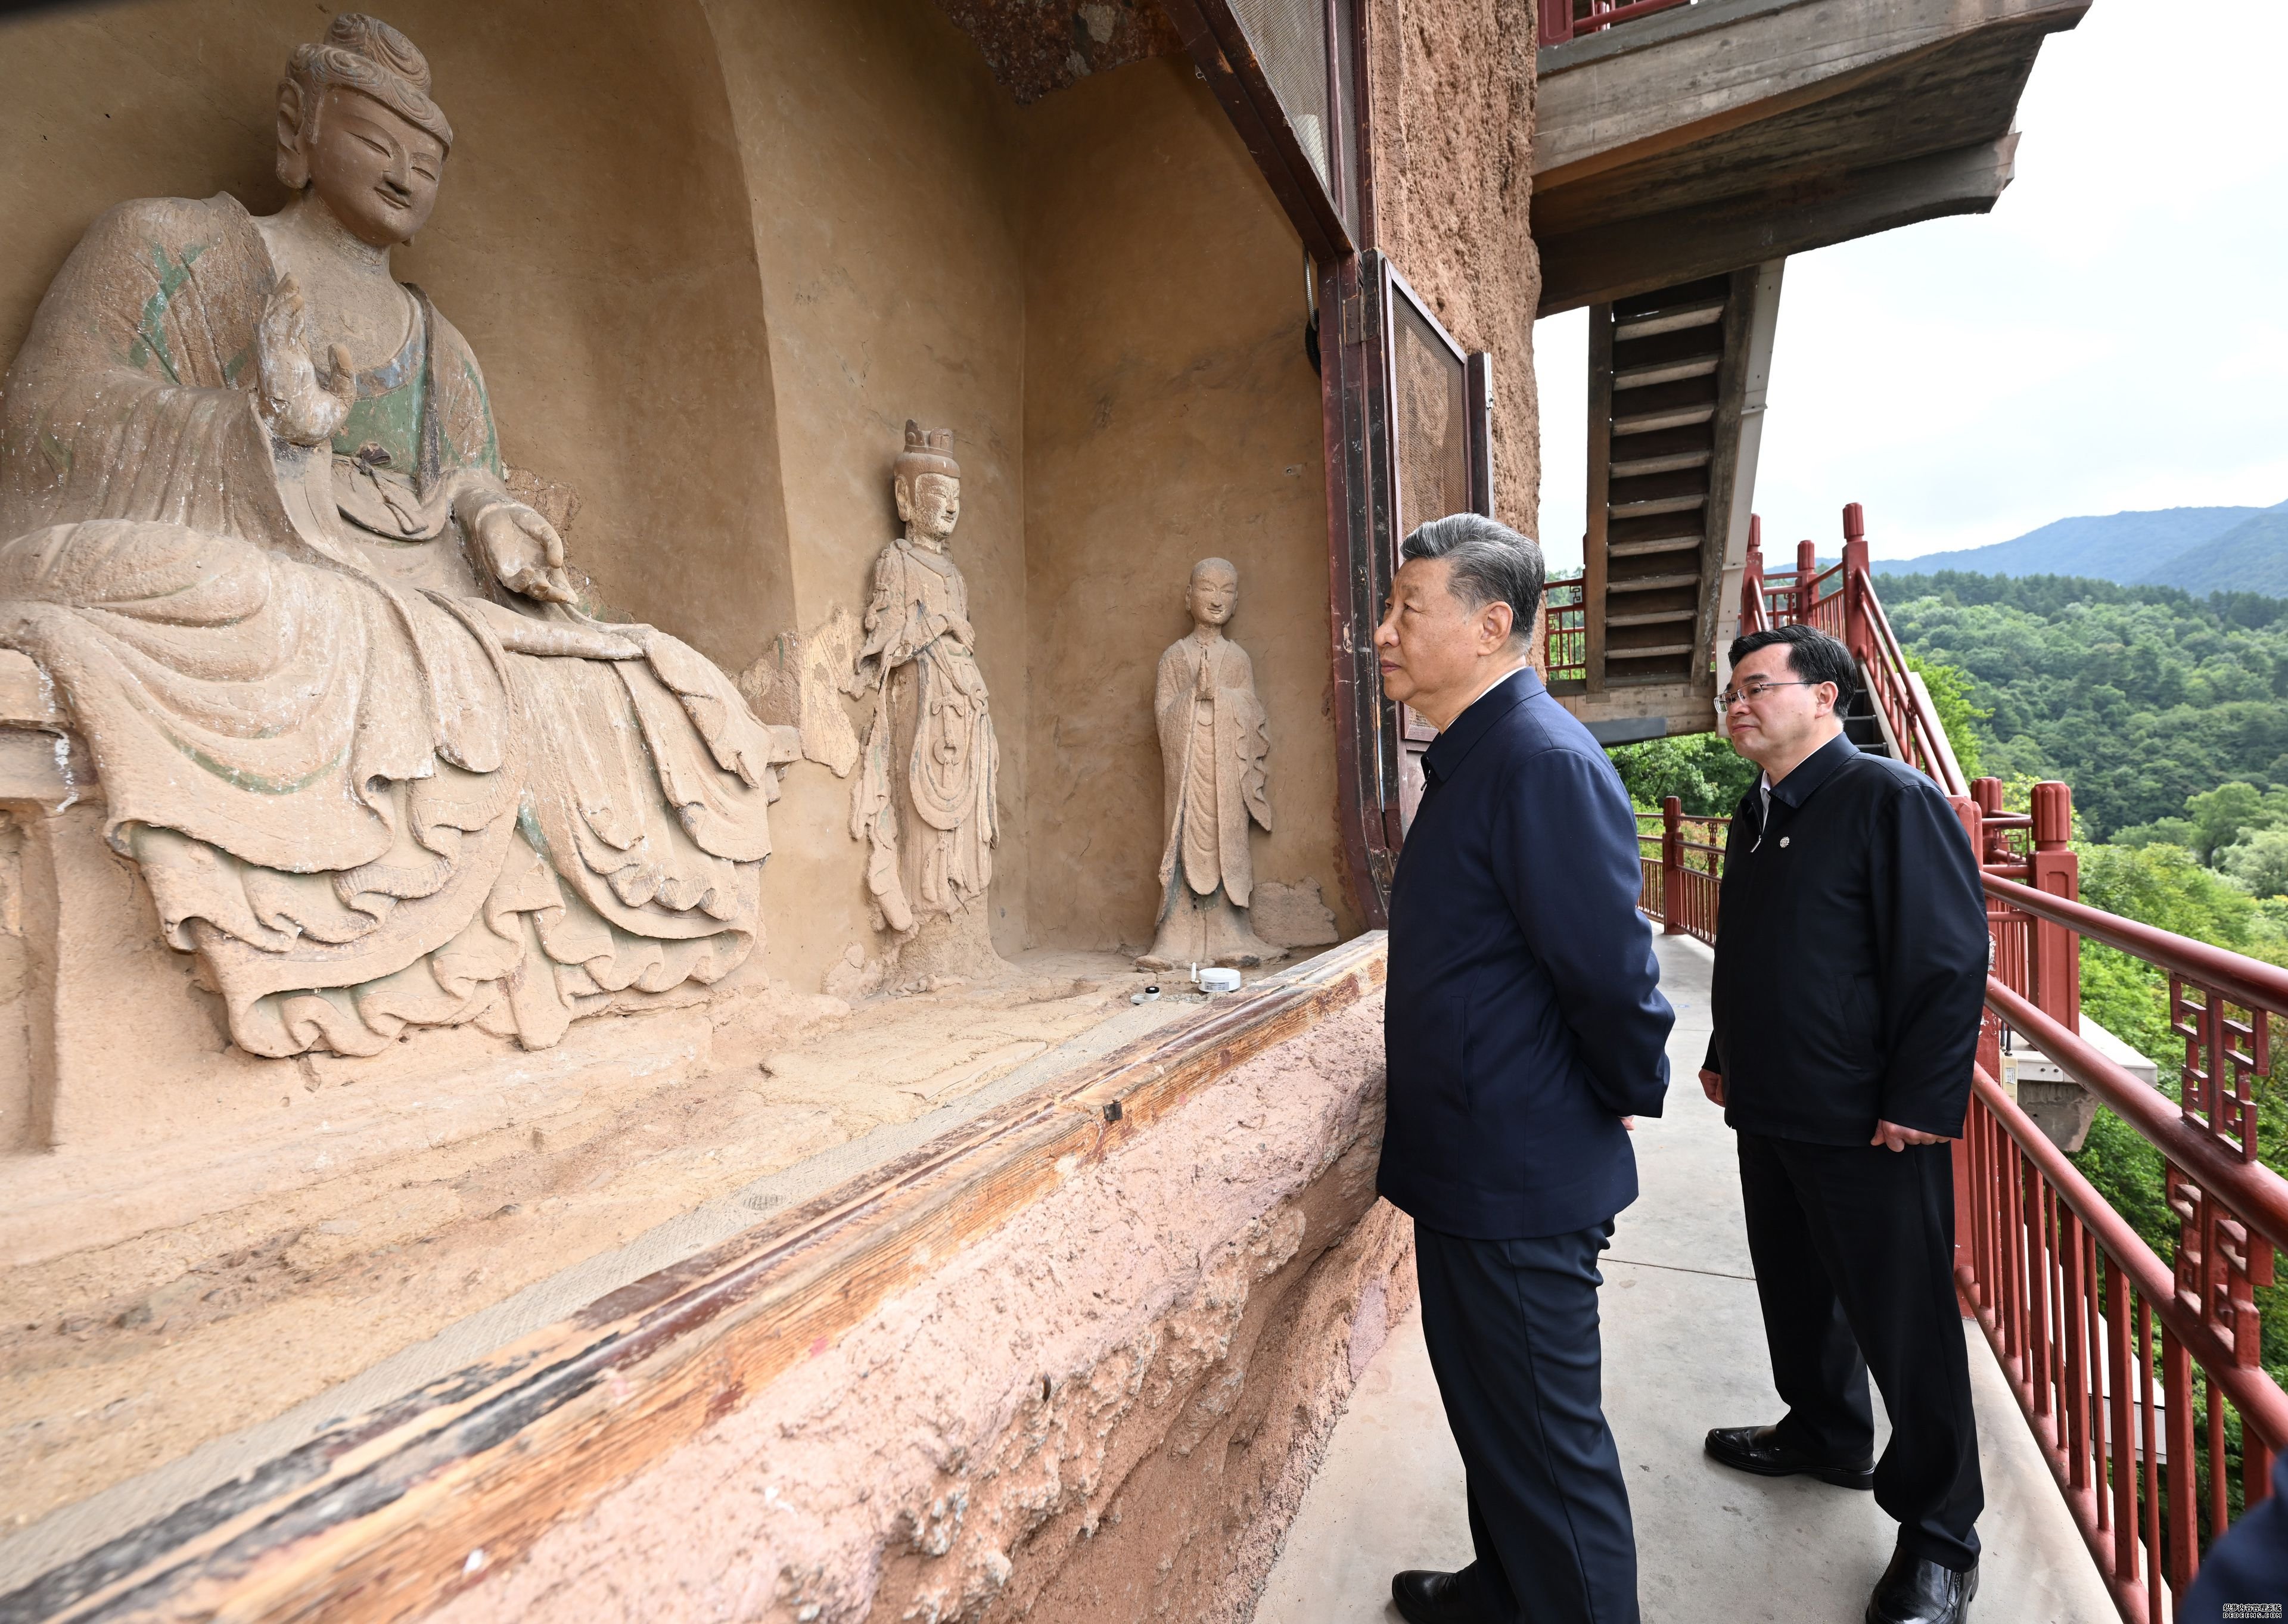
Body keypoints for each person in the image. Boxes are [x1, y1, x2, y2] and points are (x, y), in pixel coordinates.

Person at [1377, 512, 1674, 1624]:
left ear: (1492, 623)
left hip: (1519, 1170)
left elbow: (1612, 976)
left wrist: (1614, 1097)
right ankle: (1506, 1589)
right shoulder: (1477, 753)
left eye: (1410, 607)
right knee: (1494, 1413)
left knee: (1552, 1447)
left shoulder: (1541, 759)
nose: (1384, 631)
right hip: (1475, 1162)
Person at [1697, 624, 1991, 1624]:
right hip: (1773, 1103)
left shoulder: (1889, 799)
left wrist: (1919, 1099)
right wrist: (1724, 1049)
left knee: (1905, 1326)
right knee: (1796, 1287)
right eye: (1730, 690)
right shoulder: (1759, 807)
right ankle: (1825, 1432)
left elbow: (1947, 963)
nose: (1737, 703)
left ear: (1826, 696)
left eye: (1758, 686)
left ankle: (1943, 1537)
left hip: (1870, 1118)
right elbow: (1756, 949)